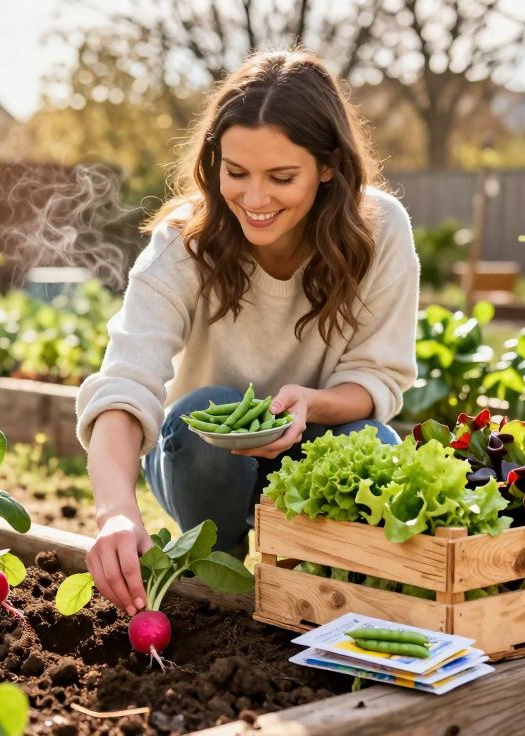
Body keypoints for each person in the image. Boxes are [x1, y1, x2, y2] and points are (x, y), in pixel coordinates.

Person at [75, 48, 419, 616]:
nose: (255, 200)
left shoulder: (379, 230)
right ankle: (223, 581)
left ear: (328, 166)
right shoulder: (184, 243)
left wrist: (311, 404)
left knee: (376, 445)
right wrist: (113, 510)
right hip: (200, 465)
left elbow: (376, 378)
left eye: (281, 177)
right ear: (215, 163)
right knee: (200, 411)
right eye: (236, 173)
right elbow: (124, 385)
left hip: (314, 448)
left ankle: (328, 590)